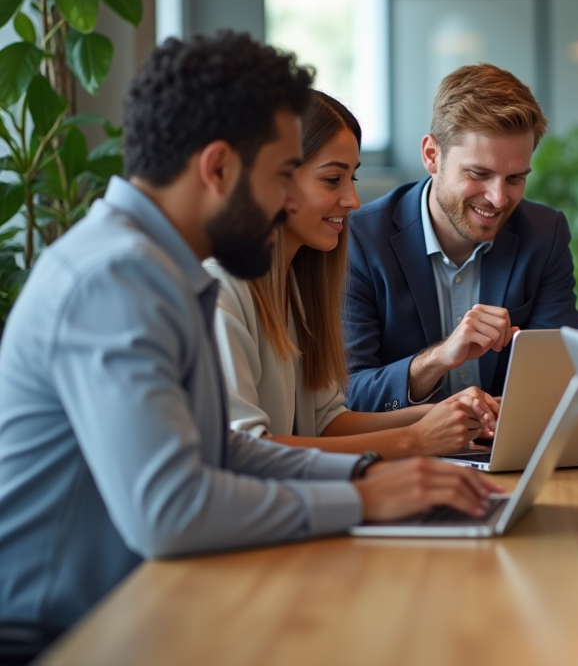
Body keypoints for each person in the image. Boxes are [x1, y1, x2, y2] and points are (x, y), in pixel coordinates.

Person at [0, 33, 500, 643]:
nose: (289, 200)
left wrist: (368, 476)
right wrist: (366, 498)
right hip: (63, 633)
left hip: (138, 604)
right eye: (283, 174)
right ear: (217, 168)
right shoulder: (116, 281)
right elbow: (169, 512)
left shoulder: (162, 270)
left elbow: (227, 452)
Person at [207, 91, 498, 459]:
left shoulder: (297, 286)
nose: (353, 201)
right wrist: (416, 439)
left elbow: (328, 421)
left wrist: (444, 415)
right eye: (332, 179)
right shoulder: (220, 293)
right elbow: (247, 452)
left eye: (352, 178)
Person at [343, 63, 578, 412]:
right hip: (403, 457)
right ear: (431, 156)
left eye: (515, 178)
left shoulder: (545, 234)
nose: (499, 198)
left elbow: (561, 373)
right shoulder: (360, 240)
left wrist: (513, 414)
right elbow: (350, 394)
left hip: (509, 456)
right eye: (478, 174)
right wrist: (438, 359)